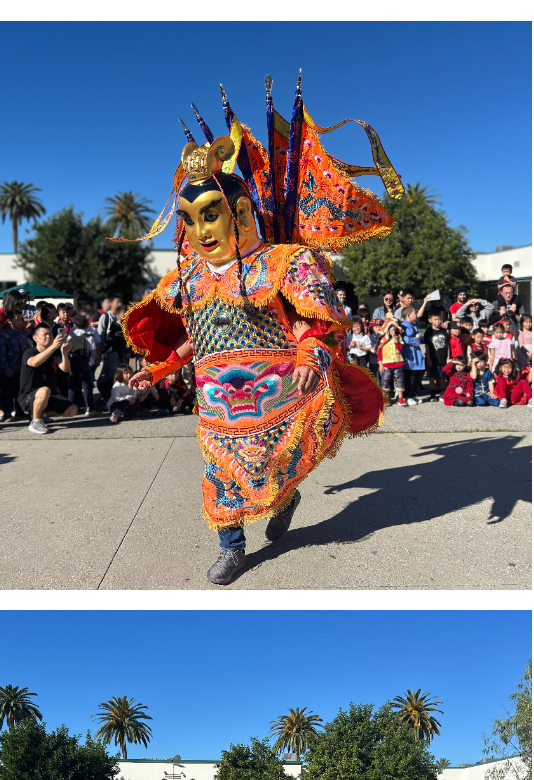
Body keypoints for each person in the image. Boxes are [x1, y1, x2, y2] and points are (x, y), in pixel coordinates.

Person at [123, 96, 397, 584]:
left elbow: (312, 320)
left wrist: (312, 353)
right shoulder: (186, 279)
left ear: (241, 211)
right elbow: (196, 339)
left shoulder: (280, 264)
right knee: (220, 472)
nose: (199, 230)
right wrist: (161, 367)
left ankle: (286, 496)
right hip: (217, 406)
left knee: (274, 464)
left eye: (211, 213)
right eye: (188, 218)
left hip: (277, 395)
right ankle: (232, 547)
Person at [19, 323, 79, 434]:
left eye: (50, 334)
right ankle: (35, 422)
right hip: (28, 395)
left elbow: (65, 369)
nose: (49, 336)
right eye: (45, 334)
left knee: (73, 409)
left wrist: (64, 353)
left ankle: (42, 413)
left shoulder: (55, 352)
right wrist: (53, 347)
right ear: (35, 338)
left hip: (49, 395)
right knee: (44, 390)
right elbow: (34, 362)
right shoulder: (29, 352)